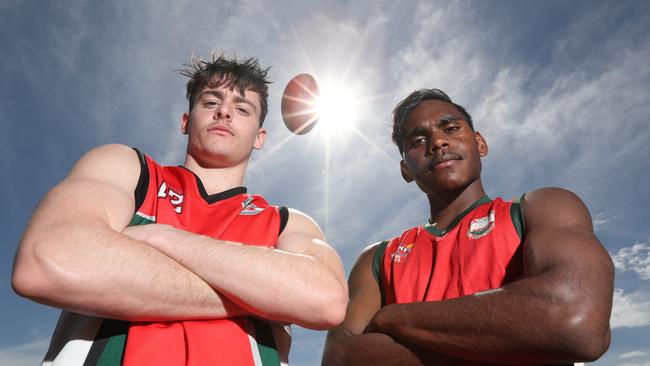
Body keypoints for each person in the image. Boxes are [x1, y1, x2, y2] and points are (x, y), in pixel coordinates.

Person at [12, 53, 347, 366]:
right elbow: (48, 259)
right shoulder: (128, 168)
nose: (224, 112)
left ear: (260, 137)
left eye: (242, 109)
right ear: (186, 121)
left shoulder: (286, 221)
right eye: (211, 102)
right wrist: (266, 295)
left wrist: (167, 238)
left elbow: (325, 299)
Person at [322, 88, 614, 365]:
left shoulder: (542, 208)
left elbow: (577, 322)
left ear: (480, 143)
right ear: (406, 169)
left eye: (450, 129)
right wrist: (504, 335)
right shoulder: (377, 258)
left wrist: (396, 318)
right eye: (418, 141)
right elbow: (340, 359)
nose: (437, 143)